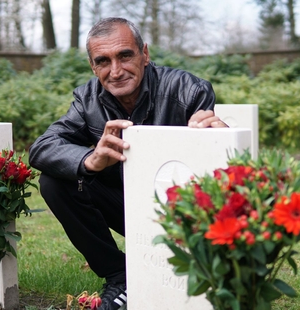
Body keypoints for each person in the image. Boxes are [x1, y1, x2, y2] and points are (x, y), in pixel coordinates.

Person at [29, 17, 227, 310]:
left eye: (125, 55)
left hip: (181, 212)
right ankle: (120, 277)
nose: (116, 71)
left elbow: (210, 159)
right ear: (92, 66)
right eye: (103, 61)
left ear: (144, 54)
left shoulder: (187, 89)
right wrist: (90, 159)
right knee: (54, 181)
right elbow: (41, 147)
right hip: (123, 207)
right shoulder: (87, 100)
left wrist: (219, 141)